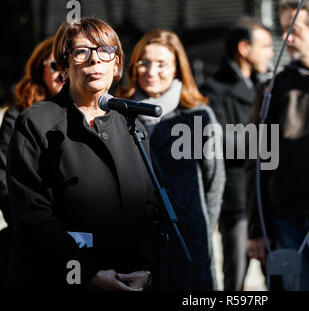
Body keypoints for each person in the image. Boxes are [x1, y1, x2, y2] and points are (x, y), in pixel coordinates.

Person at [6, 17, 157, 291]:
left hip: (129, 280)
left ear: (117, 65)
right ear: (63, 68)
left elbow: (151, 209)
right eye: (81, 52)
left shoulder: (133, 126)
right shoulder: (36, 122)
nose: (94, 60)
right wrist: (88, 274)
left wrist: (145, 270)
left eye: (105, 51)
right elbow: (33, 216)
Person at [117, 29, 225, 290]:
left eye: (161, 64)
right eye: (144, 62)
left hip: (188, 241)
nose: (151, 71)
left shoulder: (198, 117)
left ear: (177, 68)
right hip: (133, 244)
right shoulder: (118, 114)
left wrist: (198, 227)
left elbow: (214, 181)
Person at [246, 0, 309, 291]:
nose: (287, 38)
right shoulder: (273, 88)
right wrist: (257, 228)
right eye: (283, 30)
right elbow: (257, 159)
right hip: (288, 221)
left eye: (295, 30)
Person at [201, 17, 273, 291]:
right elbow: (219, 141)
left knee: (278, 277)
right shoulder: (214, 89)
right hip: (237, 201)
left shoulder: (267, 86)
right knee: (236, 280)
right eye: (264, 45)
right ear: (244, 48)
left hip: (268, 197)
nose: (270, 52)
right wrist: (269, 143)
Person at [0, 36, 63, 291]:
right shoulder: (19, 115)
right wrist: (32, 227)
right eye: (54, 66)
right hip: (33, 238)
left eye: (66, 64)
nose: (62, 73)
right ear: (41, 70)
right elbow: (4, 180)